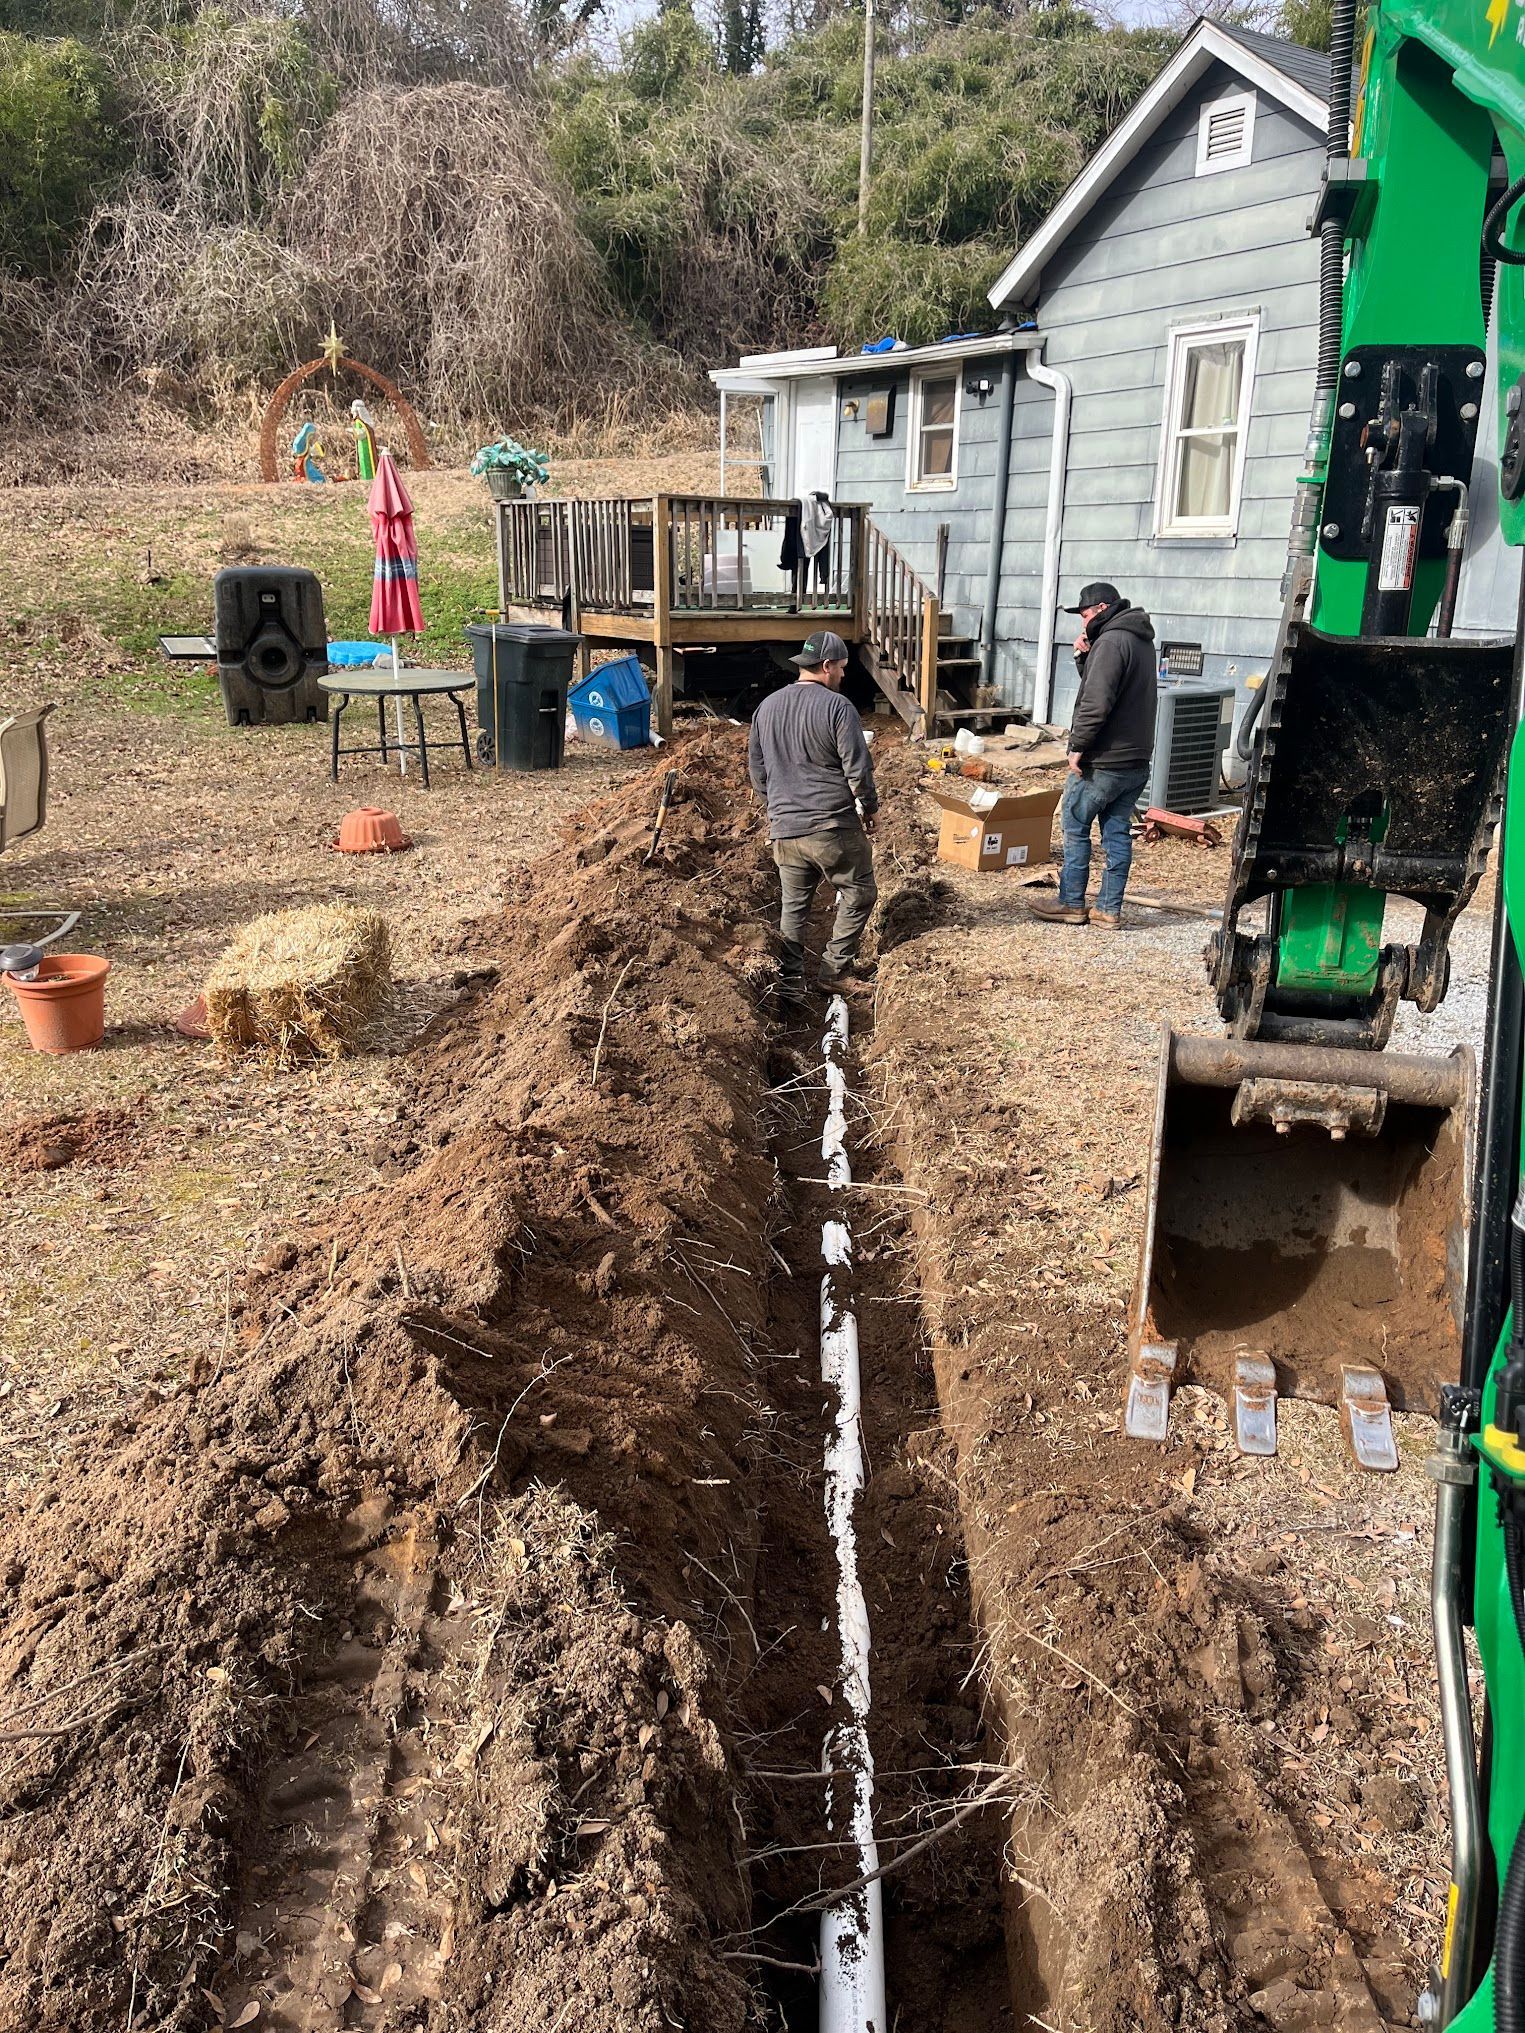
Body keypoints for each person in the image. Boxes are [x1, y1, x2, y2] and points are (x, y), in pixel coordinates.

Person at [748, 630, 879, 997]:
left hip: (785, 829)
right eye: (841, 667)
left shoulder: (766, 708)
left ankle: (790, 982)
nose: (843, 674)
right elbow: (858, 767)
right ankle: (834, 970)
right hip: (830, 826)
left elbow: (758, 772)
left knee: (794, 908)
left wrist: (777, 809)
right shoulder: (839, 708)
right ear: (825, 666)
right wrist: (870, 809)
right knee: (859, 891)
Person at [1029, 580, 1156, 930]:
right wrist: (1084, 655)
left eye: (1084, 615)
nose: (1082, 623)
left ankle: (1070, 903)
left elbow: (1096, 701)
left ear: (1102, 609)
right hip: (1136, 760)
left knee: (1074, 825)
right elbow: (1107, 687)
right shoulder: (1138, 639)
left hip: (1104, 760)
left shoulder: (1112, 642)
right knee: (1116, 833)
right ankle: (1108, 910)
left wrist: (1078, 747)